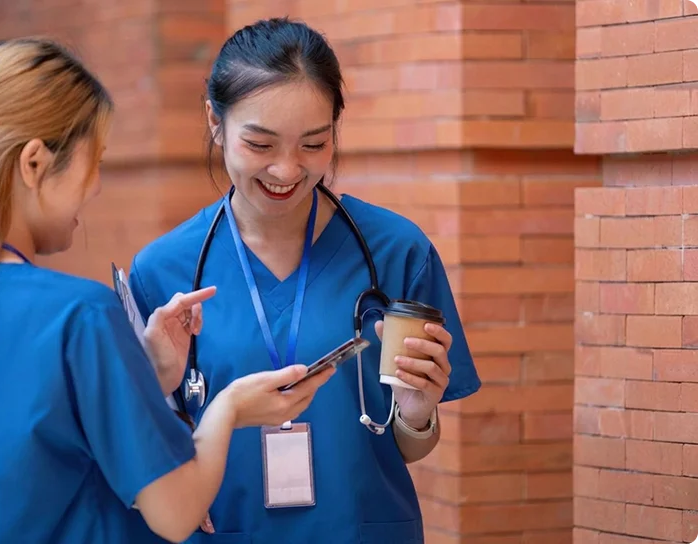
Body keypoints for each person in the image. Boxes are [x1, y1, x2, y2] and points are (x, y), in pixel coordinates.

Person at [0, 37, 334, 544]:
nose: (98, 186)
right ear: (35, 163)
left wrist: (141, 375)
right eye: (95, 161)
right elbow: (175, 514)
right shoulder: (79, 317)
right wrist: (228, 408)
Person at [129, 17, 482, 544]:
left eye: (313, 145)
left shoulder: (397, 252)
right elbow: (139, 453)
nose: (287, 170)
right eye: (261, 145)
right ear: (215, 122)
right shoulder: (163, 271)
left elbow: (409, 445)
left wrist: (417, 412)